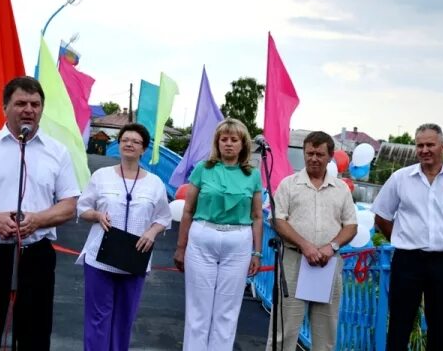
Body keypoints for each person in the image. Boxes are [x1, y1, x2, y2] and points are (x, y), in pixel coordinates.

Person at [0, 76, 80, 351]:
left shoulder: (57, 152)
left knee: (35, 333)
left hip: (37, 254)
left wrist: (38, 220)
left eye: (35, 104)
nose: (29, 109)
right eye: (21, 102)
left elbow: (70, 204)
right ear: (5, 107)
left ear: (42, 109)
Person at [372, 123, 443, 351]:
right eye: (420, 145)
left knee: (440, 326)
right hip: (407, 261)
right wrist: (401, 239)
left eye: (430, 144)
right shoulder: (400, 178)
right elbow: (381, 216)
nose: (424, 150)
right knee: (400, 324)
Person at [77, 123, 172, 351]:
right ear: (118, 144)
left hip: (135, 257)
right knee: (98, 318)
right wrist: (98, 215)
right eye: (124, 140)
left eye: (135, 141)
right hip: (100, 256)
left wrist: (152, 231)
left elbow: (164, 217)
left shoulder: (155, 184)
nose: (129, 144)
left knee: (124, 320)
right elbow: (82, 208)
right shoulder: (101, 176)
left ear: (143, 149)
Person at [173, 118, 263, 351]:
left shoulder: (252, 174)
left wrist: (257, 252)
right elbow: (188, 210)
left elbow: (257, 216)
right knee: (198, 309)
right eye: (224, 139)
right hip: (203, 238)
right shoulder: (204, 168)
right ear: (217, 142)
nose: (229, 144)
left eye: (234, 140)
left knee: (227, 311)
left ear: (243, 144)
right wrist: (181, 247)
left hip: (238, 242)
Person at [266, 131, 357, 351]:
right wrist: (305, 245)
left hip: (328, 264)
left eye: (319, 154)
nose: (313, 158)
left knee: (325, 334)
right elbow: (278, 220)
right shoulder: (289, 184)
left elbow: (351, 226)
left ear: (330, 156)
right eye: (309, 153)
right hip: (294, 261)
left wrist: (331, 246)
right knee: (283, 331)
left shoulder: (341, 189)